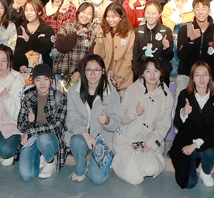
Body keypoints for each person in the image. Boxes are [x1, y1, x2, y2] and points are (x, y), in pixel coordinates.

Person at [112, 58, 173, 185]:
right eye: (148, 71)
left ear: (161, 72)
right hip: (128, 140)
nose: (152, 75)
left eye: (155, 71)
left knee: (151, 169)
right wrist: (133, 111)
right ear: (142, 73)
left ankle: (137, 160)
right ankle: (119, 160)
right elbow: (120, 116)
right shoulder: (132, 90)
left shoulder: (166, 95)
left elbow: (164, 125)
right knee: (136, 179)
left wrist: (150, 143)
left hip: (148, 143)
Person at [66, 54, 122, 184]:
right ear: (84, 72)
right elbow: (71, 120)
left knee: (98, 179)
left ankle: (99, 159)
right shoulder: (74, 91)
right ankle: (80, 167)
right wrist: (85, 134)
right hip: (82, 136)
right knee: (77, 141)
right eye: (89, 70)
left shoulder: (112, 93)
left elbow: (116, 123)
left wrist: (107, 121)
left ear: (103, 71)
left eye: (96, 70)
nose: (92, 74)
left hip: (102, 138)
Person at [170, 61, 214, 189]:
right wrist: (183, 112)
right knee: (189, 183)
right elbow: (177, 123)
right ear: (192, 78)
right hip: (185, 140)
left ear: (210, 77)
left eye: (204, 74)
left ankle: (206, 172)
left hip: (206, 140)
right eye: (197, 75)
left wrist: (196, 144)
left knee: (212, 153)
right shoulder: (184, 95)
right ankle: (193, 162)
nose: (201, 79)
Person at [16, 64, 69, 181]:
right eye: (38, 79)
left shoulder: (59, 97)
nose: (42, 83)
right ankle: (39, 154)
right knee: (26, 175)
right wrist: (28, 120)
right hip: (33, 138)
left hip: (52, 139)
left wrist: (30, 131)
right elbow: (20, 126)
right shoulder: (28, 98)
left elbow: (57, 126)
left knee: (43, 139)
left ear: (51, 80)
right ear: (33, 81)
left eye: (45, 79)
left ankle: (50, 161)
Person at [177, 0, 214, 88]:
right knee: (181, 94)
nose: (201, 12)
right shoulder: (185, 30)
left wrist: (213, 79)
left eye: (204, 9)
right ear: (193, 11)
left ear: (209, 11)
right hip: (187, 76)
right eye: (197, 9)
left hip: (210, 77)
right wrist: (190, 40)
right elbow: (181, 56)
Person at [94, 4, 136, 93]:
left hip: (123, 75)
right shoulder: (103, 31)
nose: (110, 19)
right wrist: (100, 36)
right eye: (108, 16)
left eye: (114, 17)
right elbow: (98, 55)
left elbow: (129, 57)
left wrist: (121, 77)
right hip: (105, 73)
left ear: (121, 17)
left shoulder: (130, 34)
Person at [54, 2, 99, 82]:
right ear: (78, 13)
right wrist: (76, 34)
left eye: (89, 14)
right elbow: (59, 46)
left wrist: (79, 71)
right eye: (83, 12)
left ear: (92, 17)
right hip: (62, 71)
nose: (85, 16)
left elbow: (90, 56)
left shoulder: (93, 33)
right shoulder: (66, 27)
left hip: (82, 74)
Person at [132, 1, 174, 82]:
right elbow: (135, 56)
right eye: (148, 13)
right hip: (142, 73)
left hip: (161, 73)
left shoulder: (166, 31)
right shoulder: (138, 31)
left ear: (160, 14)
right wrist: (138, 73)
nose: (150, 16)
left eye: (154, 13)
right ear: (144, 13)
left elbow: (169, 56)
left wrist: (166, 48)